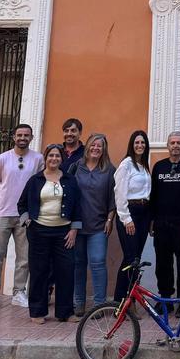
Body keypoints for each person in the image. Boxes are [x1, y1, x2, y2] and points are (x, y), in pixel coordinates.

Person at [0, 123, 44, 311]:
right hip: (2, 213)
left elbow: (40, 184)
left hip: (25, 215)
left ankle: (19, 292)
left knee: (23, 256)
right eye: (19, 135)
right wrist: (3, 201)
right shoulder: (2, 159)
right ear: (13, 137)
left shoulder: (38, 159)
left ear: (31, 138)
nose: (22, 138)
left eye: (26, 135)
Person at [17, 144, 81, 324]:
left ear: (62, 159)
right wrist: (27, 220)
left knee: (66, 271)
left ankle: (65, 312)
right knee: (39, 271)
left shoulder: (70, 180)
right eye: (51, 155)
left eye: (58, 156)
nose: (54, 159)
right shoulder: (35, 180)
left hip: (64, 232)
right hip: (39, 231)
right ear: (46, 158)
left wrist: (74, 229)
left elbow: (77, 205)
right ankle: (37, 311)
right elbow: (21, 204)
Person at [69, 134, 115, 316]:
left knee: (97, 263)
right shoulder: (75, 167)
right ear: (87, 146)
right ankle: (78, 303)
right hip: (77, 225)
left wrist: (110, 220)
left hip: (98, 225)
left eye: (100, 146)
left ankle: (99, 305)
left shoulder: (109, 170)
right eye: (93, 145)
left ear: (104, 149)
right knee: (78, 264)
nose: (96, 148)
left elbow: (114, 198)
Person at [150, 131, 180, 316]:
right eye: (172, 142)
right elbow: (153, 196)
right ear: (167, 146)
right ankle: (165, 300)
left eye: (178, 143)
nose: (175, 145)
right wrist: (152, 220)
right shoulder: (159, 167)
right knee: (163, 264)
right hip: (162, 224)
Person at [113, 130, 152, 301]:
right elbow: (119, 193)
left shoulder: (144, 165)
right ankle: (122, 301)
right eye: (137, 143)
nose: (140, 145)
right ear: (131, 145)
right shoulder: (126, 164)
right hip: (130, 213)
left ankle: (128, 298)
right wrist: (126, 219)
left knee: (136, 258)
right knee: (130, 259)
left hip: (144, 214)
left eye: (143, 143)